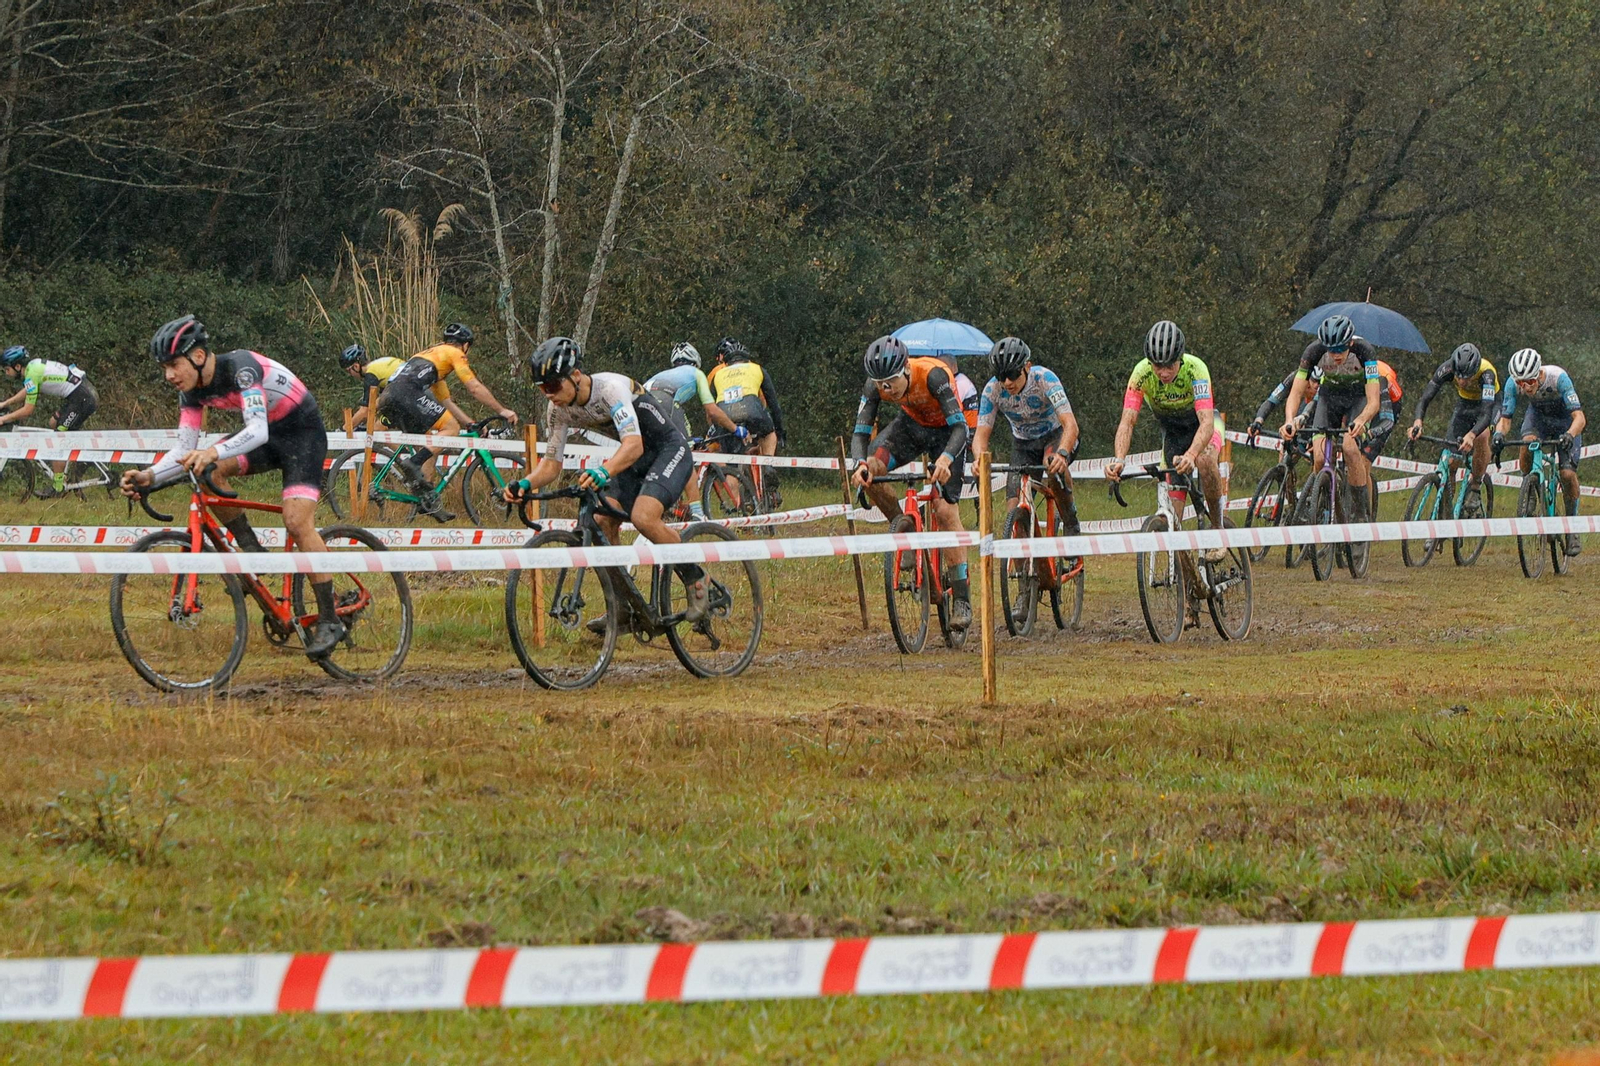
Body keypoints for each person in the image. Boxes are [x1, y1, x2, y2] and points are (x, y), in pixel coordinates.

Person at [119, 315, 346, 658]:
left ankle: (330, 619)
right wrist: (149, 477)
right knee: (209, 471)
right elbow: (183, 450)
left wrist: (211, 450)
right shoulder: (190, 392)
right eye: (164, 367)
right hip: (269, 435)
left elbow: (256, 431)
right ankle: (252, 551)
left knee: (297, 522)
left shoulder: (242, 368)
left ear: (197, 357)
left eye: (173, 365)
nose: (168, 375)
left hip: (301, 435)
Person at [505, 337, 706, 627]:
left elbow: (634, 444)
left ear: (575, 376)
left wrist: (603, 472)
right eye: (542, 389)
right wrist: (524, 484)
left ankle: (696, 579)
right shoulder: (558, 409)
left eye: (552, 386)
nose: (548, 395)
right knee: (600, 521)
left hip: (667, 449)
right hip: (634, 458)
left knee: (644, 517)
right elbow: (551, 465)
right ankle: (623, 606)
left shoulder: (609, 390)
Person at [850, 334, 972, 628]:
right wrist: (859, 464)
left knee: (944, 512)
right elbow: (860, 434)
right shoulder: (875, 384)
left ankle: (963, 598)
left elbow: (961, 428)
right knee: (872, 471)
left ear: (906, 368)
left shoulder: (933, 375)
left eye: (891, 381)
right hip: (910, 427)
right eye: (880, 384)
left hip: (947, 432)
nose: (886, 390)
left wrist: (945, 459)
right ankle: (904, 531)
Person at [968, 337, 1082, 623]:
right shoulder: (992, 390)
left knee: (1052, 468)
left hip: (1055, 436)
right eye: (1000, 375)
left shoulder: (1044, 379)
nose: (1006, 382)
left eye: (1012, 374)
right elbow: (981, 436)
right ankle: (1024, 588)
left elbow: (1071, 424)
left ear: (1026, 367)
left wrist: (1064, 453)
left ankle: (1070, 523)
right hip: (1023, 444)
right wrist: (978, 460)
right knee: (1012, 510)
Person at [1107, 320, 1228, 561]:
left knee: (1205, 462)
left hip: (1203, 428)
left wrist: (1192, 455)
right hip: (1172, 433)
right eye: (1157, 365)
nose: (1163, 372)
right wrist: (1119, 459)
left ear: (1180, 358)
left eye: (1169, 365)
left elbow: (1206, 423)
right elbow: (1127, 421)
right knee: (1175, 517)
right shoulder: (1141, 374)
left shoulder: (1196, 369)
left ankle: (1218, 529)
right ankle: (1186, 581)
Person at [375, 323, 519, 518]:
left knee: (432, 443)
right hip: (406, 393)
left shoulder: (433, 358)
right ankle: (413, 463)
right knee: (450, 428)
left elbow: (445, 402)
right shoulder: (455, 353)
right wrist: (502, 410)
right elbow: (474, 387)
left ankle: (426, 499)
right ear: (465, 345)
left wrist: (469, 423)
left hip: (388, 396)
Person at [1278, 314, 1384, 528]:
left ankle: (1358, 513)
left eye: (1341, 350)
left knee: (1350, 448)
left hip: (1357, 399)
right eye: (1331, 350)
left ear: (1350, 343)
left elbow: (1374, 401)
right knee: (1318, 457)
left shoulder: (1365, 351)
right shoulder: (1313, 351)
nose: (1335, 355)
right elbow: (1296, 392)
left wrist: (1362, 419)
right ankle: (1321, 505)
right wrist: (1289, 420)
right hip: (1329, 399)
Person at [1497, 347, 1586, 556]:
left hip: (1565, 421)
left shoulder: (1559, 378)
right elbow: (1505, 420)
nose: (1525, 387)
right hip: (1538, 418)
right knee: (1527, 442)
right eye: (1520, 383)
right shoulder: (1513, 383)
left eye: (1529, 381)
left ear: (1538, 373)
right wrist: (1498, 435)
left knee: (1567, 474)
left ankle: (1572, 527)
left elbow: (1580, 418)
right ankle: (1530, 490)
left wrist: (1570, 435)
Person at [643, 341, 739, 519]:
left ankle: (664, 504)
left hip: (640, 403)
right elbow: (712, 410)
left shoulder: (661, 374)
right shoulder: (697, 373)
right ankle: (697, 513)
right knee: (684, 455)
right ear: (695, 361)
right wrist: (735, 429)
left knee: (660, 454)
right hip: (666, 402)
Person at [1408, 341, 1498, 515]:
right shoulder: (1447, 368)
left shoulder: (1486, 373)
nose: (1462, 381)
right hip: (1465, 405)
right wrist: (1418, 422)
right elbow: (1425, 398)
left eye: (1467, 377)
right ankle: (1447, 512)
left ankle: (1476, 487)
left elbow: (1486, 414)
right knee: (1450, 462)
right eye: (1459, 376)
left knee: (1481, 436)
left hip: (1489, 405)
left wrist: (1471, 435)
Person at [0, 345, 100, 493]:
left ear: (18, 366)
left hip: (82, 399)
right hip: (78, 395)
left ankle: (58, 487)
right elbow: (29, 389)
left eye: (6, 369)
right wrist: (5, 403)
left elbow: (28, 410)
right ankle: (65, 467)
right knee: (53, 423)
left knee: (57, 439)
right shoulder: (33, 367)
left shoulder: (32, 373)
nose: (6, 373)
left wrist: (4, 419)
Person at [705, 337, 787, 508]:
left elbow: (711, 407)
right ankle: (768, 466)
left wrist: (716, 429)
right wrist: (779, 430)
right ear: (746, 358)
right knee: (769, 435)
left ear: (726, 361)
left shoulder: (717, 374)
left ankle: (738, 512)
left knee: (732, 468)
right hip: (753, 412)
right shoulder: (757, 369)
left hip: (726, 418)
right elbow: (773, 404)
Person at [339, 343, 406, 430]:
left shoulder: (371, 374)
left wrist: (344, 429)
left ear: (355, 366)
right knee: (380, 426)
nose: (350, 375)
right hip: (410, 386)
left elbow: (365, 410)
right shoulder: (378, 366)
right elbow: (377, 405)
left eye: (349, 371)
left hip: (403, 391)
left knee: (376, 432)